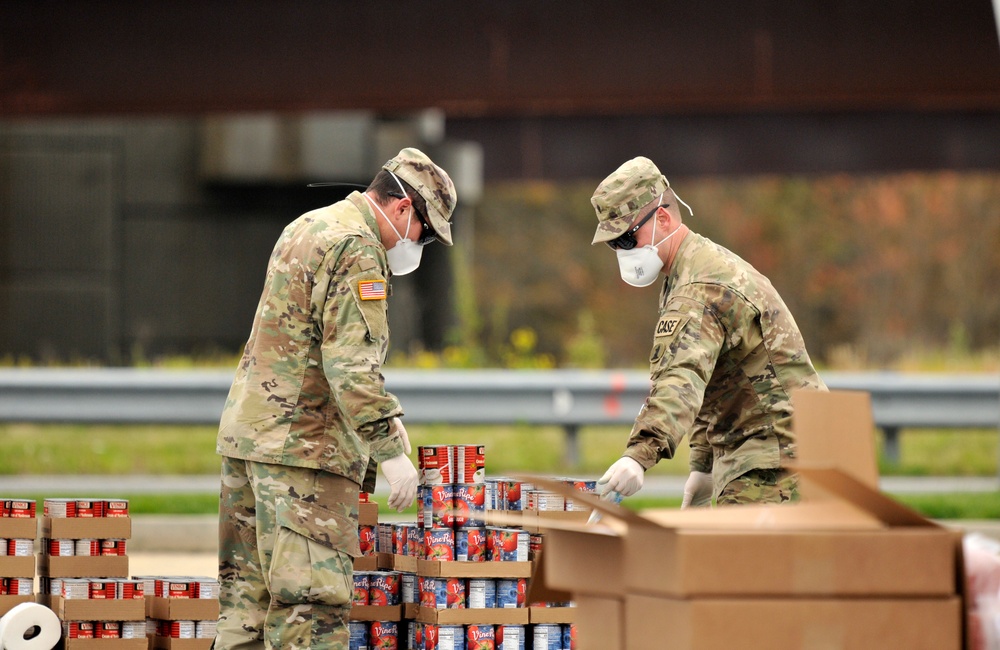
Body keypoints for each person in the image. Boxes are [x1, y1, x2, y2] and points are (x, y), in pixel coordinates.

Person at [213, 148, 457, 649]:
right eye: (425, 233)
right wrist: (390, 451)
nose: (419, 245)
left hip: (249, 443)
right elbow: (349, 364)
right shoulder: (358, 247)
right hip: (304, 455)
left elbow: (297, 342)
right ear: (403, 207)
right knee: (309, 612)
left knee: (246, 616)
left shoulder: (309, 225)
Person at [592, 156, 826, 508]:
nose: (622, 251)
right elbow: (714, 378)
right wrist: (703, 466)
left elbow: (682, 379)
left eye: (627, 239)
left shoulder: (696, 289)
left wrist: (639, 456)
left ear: (663, 218)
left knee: (730, 563)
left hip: (777, 460)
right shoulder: (692, 269)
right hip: (786, 449)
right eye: (615, 244)